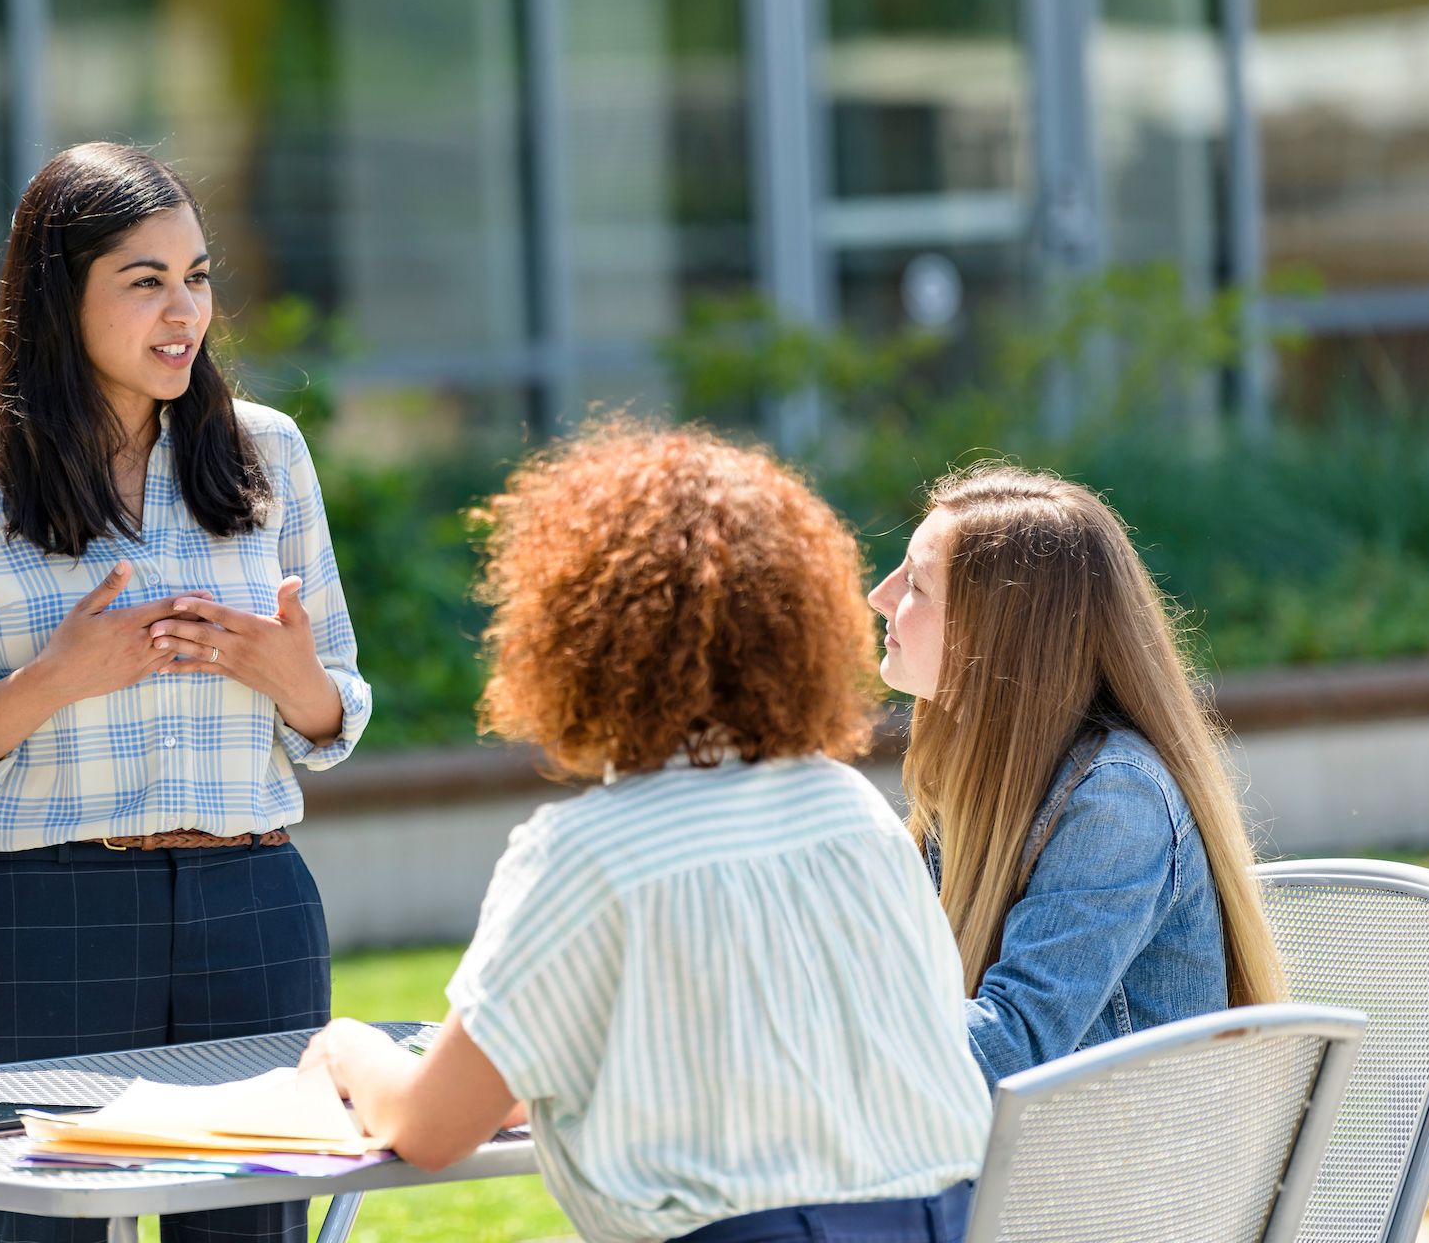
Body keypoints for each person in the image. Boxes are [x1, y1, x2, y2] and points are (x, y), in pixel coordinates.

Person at [300, 423, 991, 1243]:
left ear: (572, 634)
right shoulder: (851, 809)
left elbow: (429, 1129)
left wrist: (347, 1048)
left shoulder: (588, 851)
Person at [0, 142, 372, 1243]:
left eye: (196, 275)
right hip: (50, 915)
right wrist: (52, 682)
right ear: (58, 295)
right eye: (146, 281)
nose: (184, 309)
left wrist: (297, 682)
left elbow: (335, 715)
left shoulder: (265, 450)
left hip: (257, 908)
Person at [865, 461, 1285, 1088]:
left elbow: (1012, 1048)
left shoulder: (1115, 801)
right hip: (1019, 1170)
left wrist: (819, 1038)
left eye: (917, 585)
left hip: (1105, 1182)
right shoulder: (983, 780)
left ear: (1001, 632)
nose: (881, 595)